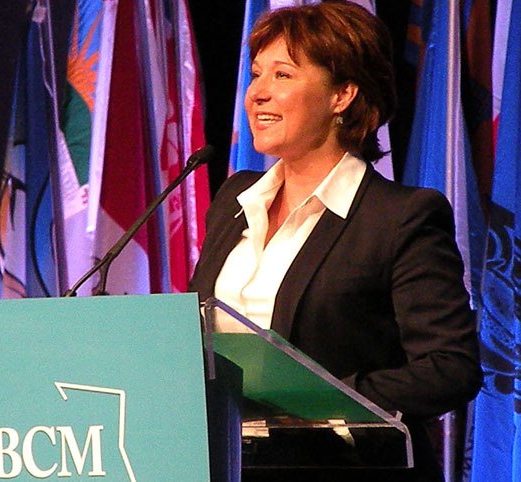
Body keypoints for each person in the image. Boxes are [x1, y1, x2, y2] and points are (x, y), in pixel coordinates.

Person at [189, 1, 482, 481]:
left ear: (342, 94)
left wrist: (324, 399)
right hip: (228, 466)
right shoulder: (236, 198)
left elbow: (449, 368)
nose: (257, 93)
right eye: (257, 74)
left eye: (282, 76)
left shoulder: (400, 216)